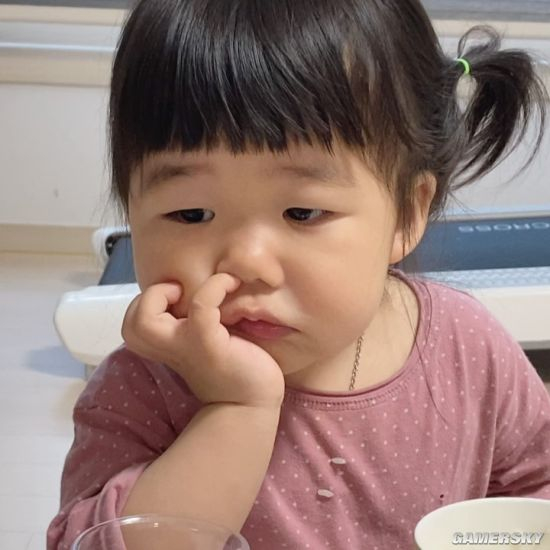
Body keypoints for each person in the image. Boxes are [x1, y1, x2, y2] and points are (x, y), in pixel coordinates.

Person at [48, 0, 550, 548]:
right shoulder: (143, 386)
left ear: (407, 213)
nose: (246, 261)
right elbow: (90, 541)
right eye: (190, 214)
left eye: (302, 212)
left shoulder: (466, 349)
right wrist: (235, 409)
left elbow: (534, 488)